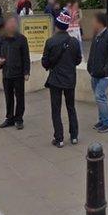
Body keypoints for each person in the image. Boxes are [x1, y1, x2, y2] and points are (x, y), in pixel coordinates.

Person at [42, 11, 82, 147]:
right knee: (71, 107)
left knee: (56, 109)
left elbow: (45, 63)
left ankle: (59, 139)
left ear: (57, 26)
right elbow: (78, 60)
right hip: (70, 80)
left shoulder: (50, 42)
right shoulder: (75, 42)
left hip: (56, 81)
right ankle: (74, 136)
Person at [0, 15, 29, 129]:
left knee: (19, 97)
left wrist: (26, 72)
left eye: (14, 23)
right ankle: (9, 118)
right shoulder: (1, 38)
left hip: (18, 73)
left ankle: (19, 119)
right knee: (8, 97)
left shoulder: (22, 39)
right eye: (10, 23)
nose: (12, 25)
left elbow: (26, 57)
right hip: (6, 73)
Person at [87, 12, 108, 133]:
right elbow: (92, 53)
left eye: (93, 20)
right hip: (95, 72)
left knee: (99, 96)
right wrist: (90, 66)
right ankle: (102, 120)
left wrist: (106, 68)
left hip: (105, 74)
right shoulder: (96, 36)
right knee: (99, 97)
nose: (92, 23)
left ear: (99, 23)